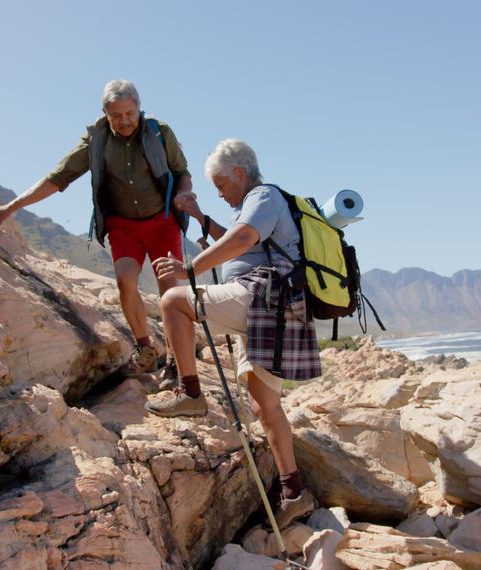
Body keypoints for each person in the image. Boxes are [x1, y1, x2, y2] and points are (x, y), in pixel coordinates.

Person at [147, 138, 319, 529]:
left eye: (221, 185)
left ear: (239, 173)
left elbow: (241, 241)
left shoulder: (263, 195)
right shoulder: (256, 206)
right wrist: (201, 216)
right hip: (278, 307)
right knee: (264, 403)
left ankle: (190, 393)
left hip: (263, 298)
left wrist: (188, 272)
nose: (221, 193)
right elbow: (239, 240)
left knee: (174, 300)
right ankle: (295, 493)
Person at [0, 80, 190, 381]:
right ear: (105, 113)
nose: (124, 121)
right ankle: (145, 349)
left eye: (130, 113)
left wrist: (184, 195)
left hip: (163, 221)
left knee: (171, 291)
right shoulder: (96, 140)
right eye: (116, 116)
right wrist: (13, 206)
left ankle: (178, 363)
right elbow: (58, 177)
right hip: (123, 225)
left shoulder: (159, 132)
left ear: (139, 107)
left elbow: (182, 173)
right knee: (126, 281)